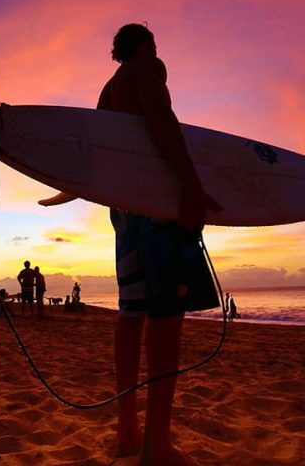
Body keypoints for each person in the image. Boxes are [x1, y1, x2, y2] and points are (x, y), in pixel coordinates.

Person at [98, 23, 222, 465]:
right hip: (159, 202)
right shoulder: (148, 67)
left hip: (124, 210)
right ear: (145, 45)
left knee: (132, 314)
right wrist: (189, 185)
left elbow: (104, 156)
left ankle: (127, 433)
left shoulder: (107, 91)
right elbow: (162, 120)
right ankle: (158, 445)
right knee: (167, 315)